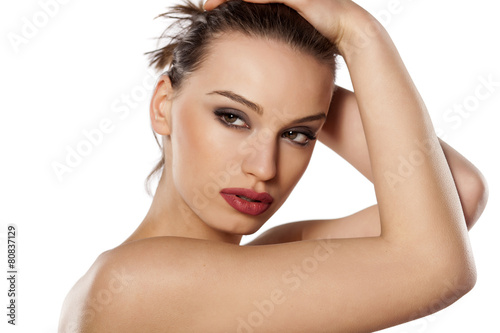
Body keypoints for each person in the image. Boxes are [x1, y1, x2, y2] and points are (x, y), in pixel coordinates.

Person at [58, 0, 488, 331]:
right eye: (232, 117)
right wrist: (358, 31)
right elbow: (433, 266)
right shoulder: (134, 284)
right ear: (162, 105)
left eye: (297, 133)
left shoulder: (264, 261)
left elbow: (457, 193)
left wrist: (301, 87)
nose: (264, 168)